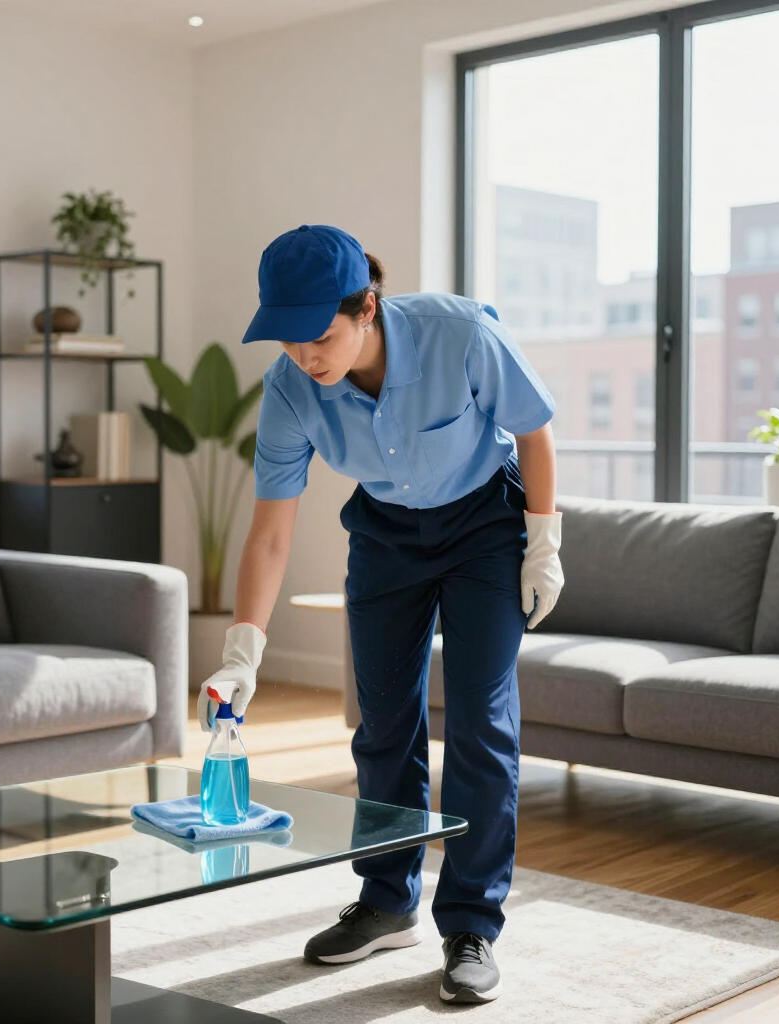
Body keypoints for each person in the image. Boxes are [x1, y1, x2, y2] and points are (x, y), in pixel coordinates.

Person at [198, 224, 564, 1005]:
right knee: (384, 724)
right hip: (387, 534)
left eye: (321, 337)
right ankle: (388, 899)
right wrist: (243, 651)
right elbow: (270, 531)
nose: (307, 357)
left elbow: (533, 429)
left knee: (479, 721)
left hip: (484, 526)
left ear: (367, 306)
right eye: (290, 342)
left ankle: (471, 925)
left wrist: (543, 541)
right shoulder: (291, 388)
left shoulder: (458, 333)